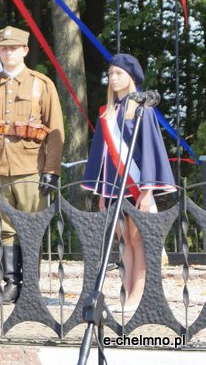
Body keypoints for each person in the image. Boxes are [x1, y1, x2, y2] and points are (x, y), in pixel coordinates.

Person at [0, 26, 65, 305]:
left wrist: (52, 170)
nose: (8, 52)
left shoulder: (41, 84)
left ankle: (30, 287)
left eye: (13, 48)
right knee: (5, 229)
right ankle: (11, 284)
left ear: (25, 50)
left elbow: (56, 130)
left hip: (31, 168)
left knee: (31, 227)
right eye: (3, 48)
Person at [81, 53, 175, 313]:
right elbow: (103, 156)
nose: (112, 78)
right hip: (114, 188)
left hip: (136, 186)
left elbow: (150, 150)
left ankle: (139, 292)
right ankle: (127, 289)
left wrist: (147, 190)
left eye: (118, 73)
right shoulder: (107, 113)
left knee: (138, 240)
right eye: (110, 73)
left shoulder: (143, 110)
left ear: (131, 77)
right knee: (124, 241)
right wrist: (102, 190)